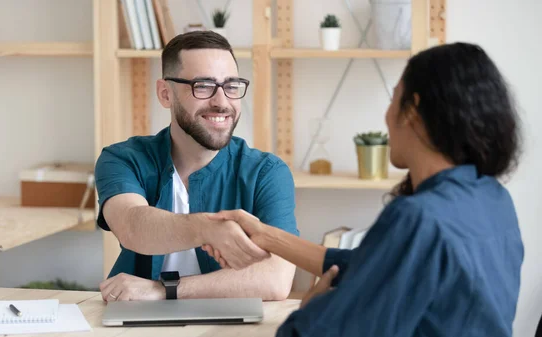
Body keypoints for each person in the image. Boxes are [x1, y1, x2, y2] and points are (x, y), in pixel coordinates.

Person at [205, 42, 524, 336]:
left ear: (411, 111)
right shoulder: (493, 198)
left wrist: (312, 306)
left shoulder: (418, 218)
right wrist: (266, 235)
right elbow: (374, 265)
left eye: (393, 99)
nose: (386, 117)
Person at [94, 31, 298, 302]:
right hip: (135, 322)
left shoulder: (266, 172)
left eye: (231, 86)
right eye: (203, 86)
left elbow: (276, 279)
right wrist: (207, 228)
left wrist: (163, 290)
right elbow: (132, 226)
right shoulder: (123, 159)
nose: (222, 102)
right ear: (165, 94)